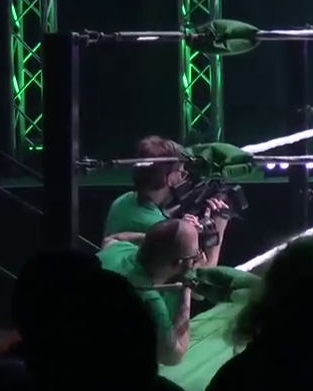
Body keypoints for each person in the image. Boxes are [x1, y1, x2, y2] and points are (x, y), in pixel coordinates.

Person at [103, 135, 230, 267]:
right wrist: (218, 226)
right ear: (170, 178)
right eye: (182, 172)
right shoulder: (160, 227)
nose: (183, 177)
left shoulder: (120, 202)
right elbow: (204, 272)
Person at [97, 217, 200, 367]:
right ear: (179, 264)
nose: (197, 260)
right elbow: (173, 357)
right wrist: (187, 290)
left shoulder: (117, 249)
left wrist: (153, 240)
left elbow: (111, 238)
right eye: (195, 256)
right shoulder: (150, 303)